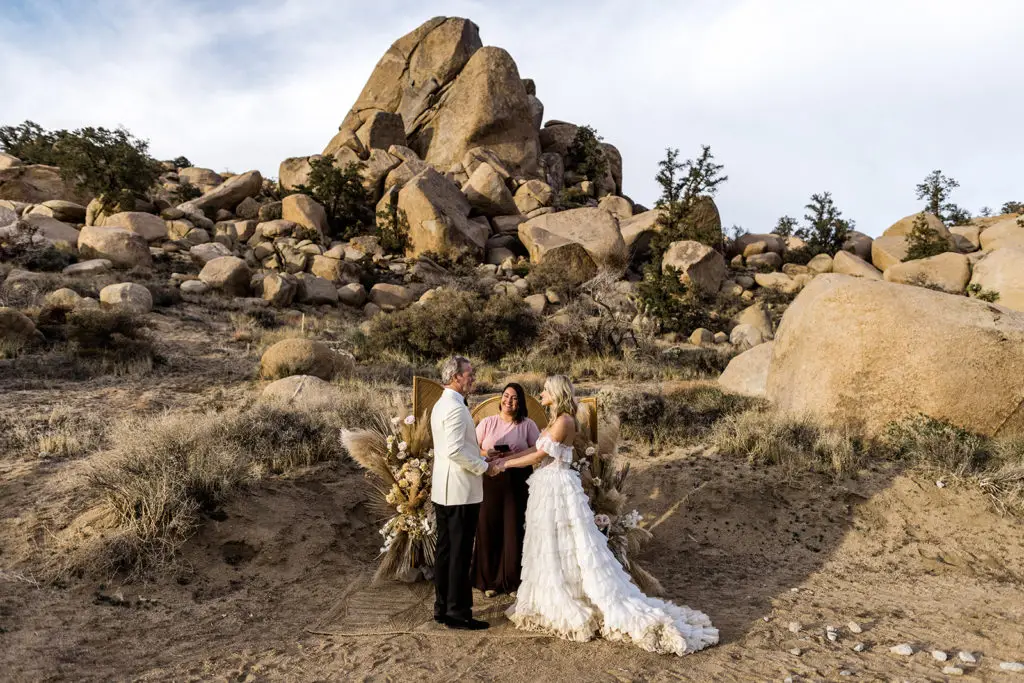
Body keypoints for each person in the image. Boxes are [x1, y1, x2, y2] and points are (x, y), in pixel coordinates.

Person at [492, 375, 719, 655]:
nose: (541, 393)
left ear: (556, 393)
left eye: (546, 390)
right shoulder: (555, 420)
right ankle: (551, 592)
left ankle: (571, 597)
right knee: (550, 543)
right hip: (546, 486)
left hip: (557, 487)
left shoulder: (564, 421)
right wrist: (505, 458)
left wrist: (505, 465)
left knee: (567, 542)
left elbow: (539, 456)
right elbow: (536, 449)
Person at [430, 356, 499, 631]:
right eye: (469, 373)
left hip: (444, 489)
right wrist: (485, 467)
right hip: (459, 490)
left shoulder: (442, 404)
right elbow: (455, 451)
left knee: (446, 551)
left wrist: (481, 455)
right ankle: (458, 613)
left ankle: (442, 607)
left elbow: (455, 447)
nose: (473, 377)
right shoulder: (456, 409)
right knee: (459, 553)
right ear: (455, 377)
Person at [472, 383, 540, 597]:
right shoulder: (487, 422)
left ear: (520, 403)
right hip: (490, 479)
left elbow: (538, 449)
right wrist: (488, 452)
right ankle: (490, 582)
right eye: (506, 396)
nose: (509, 401)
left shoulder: (527, 424)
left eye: (514, 398)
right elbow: (471, 447)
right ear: (500, 398)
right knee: (488, 527)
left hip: (517, 481)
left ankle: (512, 582)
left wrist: (514, 456)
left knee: (513, 529)